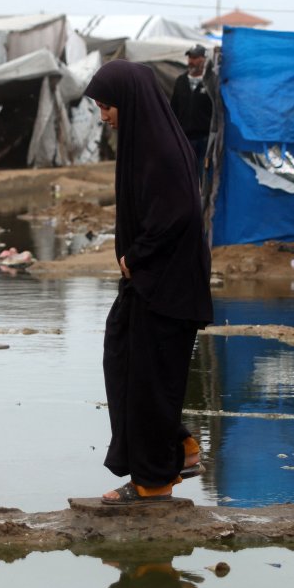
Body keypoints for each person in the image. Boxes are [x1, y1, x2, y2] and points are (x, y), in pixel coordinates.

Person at [85, 60, 214, 505]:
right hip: (150, 284)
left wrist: (136, 256)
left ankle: (154, 480)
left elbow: (179, 212)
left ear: (130, 101)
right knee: (125, 361)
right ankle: (180, 448)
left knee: (147, 381)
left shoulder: (158, 146)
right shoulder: (146, 140)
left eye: (107, 106)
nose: (104, 115)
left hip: (167, 286)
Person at [169, 46, 214, 148]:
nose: (191, 61)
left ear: (204, 59)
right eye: (189, 57)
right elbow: (174, 108)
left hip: (204, 139)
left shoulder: (211, 82)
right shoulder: (181, 80)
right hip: (183, 138)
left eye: (195, 58)